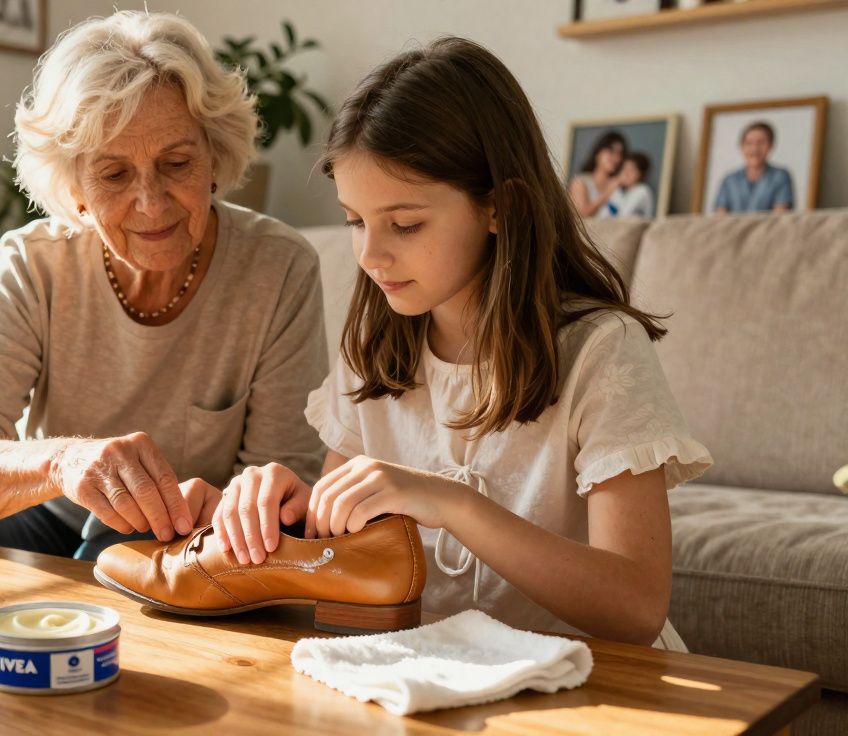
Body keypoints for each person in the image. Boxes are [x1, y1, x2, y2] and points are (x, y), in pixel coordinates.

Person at [212, 37, 712, 649]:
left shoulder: (601, 351)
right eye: (354, 220)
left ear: (498, 207)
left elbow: (636, 607)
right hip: (437, 674)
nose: (370, 254)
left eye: (405, 223)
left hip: (586, 677)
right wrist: (296, 513)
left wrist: (453, 504)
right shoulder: (373, 352)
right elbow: (346, 557)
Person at [0, 11, 327, 561]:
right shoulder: (35, 264)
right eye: (113, 175)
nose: (151, 203)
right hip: (49, 516)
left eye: (176, 163)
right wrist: (61, 463)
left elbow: (283, 485)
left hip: (197, 540)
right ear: (74, 187)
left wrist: (209, 509)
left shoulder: (279, 269)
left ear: (213, 159)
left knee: (118, 550)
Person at [713, 121, 794, 214]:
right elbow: (720, 216)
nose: (755, 148)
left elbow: (779, 215)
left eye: (761, 142)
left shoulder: (780, 176)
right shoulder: (729, 180)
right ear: (742, 146)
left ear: (771, 145)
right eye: (749, 143)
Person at [568, 130, 625, 218]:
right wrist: (607, 193)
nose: (616, 158)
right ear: (598, 153)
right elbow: (581, 215)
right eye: (611, 151)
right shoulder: (580, 181)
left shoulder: (619, 184)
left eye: (619, 154)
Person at [607, 152, 655, 218]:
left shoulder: (643, 190)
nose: (626, 173)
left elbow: (623, 216)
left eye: (632, 169)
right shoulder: (621, 191)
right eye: (624, 168)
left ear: (641, 174)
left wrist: (615, 185)